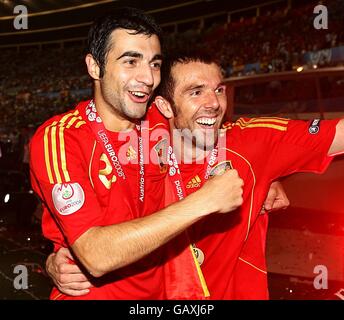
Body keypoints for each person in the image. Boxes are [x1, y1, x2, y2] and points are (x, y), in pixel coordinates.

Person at [46, 53, 344, 300]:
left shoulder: (251, 143)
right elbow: (87, 232)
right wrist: (57, 259)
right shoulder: (133, 154)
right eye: (195, 92)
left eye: (218, 90)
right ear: (164, 106)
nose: (213, 103)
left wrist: (271, 178)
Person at [30, 8, 262, 300]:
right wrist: (203, 202)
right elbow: (95, 257)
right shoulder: (60, 138)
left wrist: (271, 179)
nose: (148, 78)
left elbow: (214, 129)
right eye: (131, 61)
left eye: (154, 64)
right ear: (94, 66)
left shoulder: (159, 115)